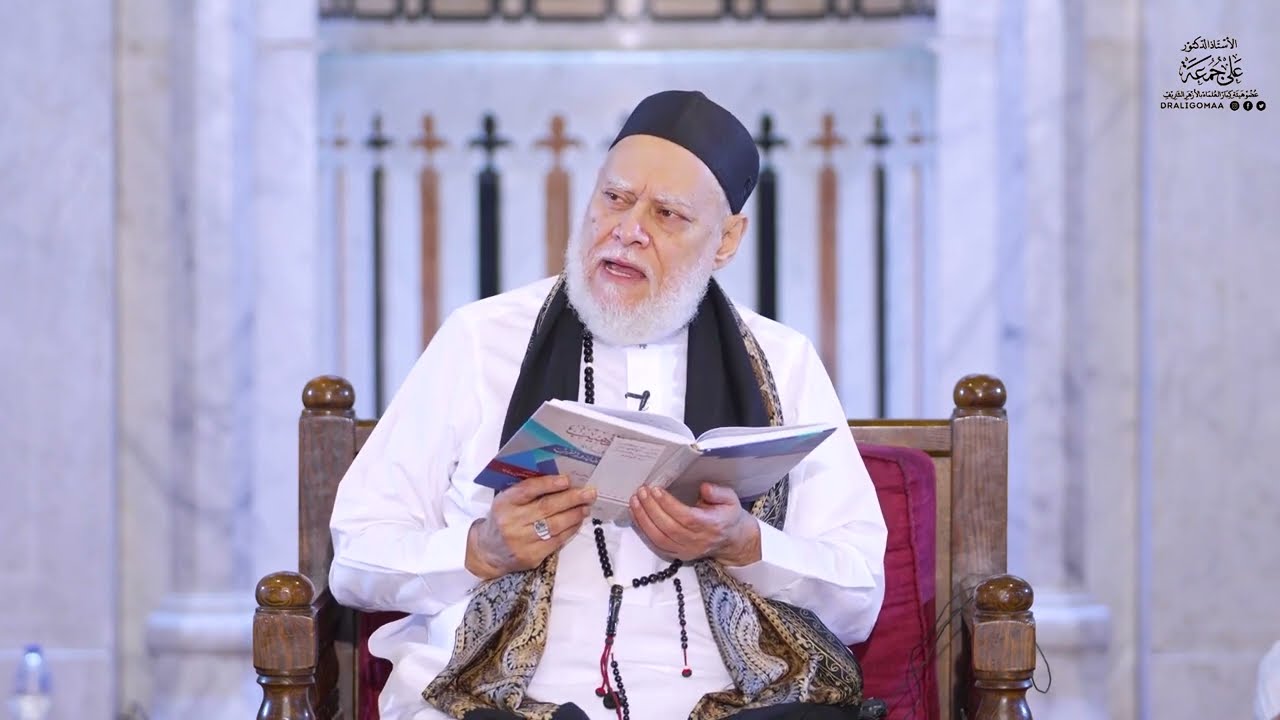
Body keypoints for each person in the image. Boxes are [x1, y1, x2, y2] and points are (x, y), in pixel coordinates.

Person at [328, 90, 888, 720]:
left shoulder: (783, 364)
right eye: (615, 198)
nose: (628, 231)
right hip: (506, 700)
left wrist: (745, 542)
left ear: (727, 240)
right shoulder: (481, 341)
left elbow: (859, 596)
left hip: (730, 703)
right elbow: (355, 558)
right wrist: (478, 549)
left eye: (668, 214)